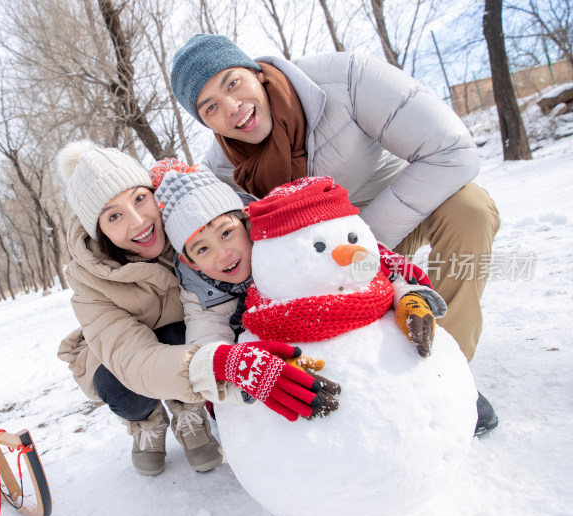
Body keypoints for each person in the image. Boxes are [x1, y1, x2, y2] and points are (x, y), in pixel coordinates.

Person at [169, 34, 500, 435]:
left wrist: (360, 243)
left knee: (471, 210)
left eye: (232, 83)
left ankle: (448, 368)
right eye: (211, 108)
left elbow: (452, 151)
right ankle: (352, 378)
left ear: (255, 71)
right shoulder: (223, 170)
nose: (232, 108)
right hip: (319, 254)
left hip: (393, 214)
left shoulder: (345, 80)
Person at [55, 141, 334, 477]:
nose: (138, 221)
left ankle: (188, 407)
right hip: (119, 358)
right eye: (114, 216)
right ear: (98, 230)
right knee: (125, 393)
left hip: (188, 332)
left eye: (140, 198)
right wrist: (222, 369)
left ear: (153, 193)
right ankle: (146, 422)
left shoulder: (187, 218)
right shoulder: (88, 278)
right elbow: (131, 359)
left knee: (190, 334)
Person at [153, 164, 445, 363]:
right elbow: (207, 342)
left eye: (226, 233)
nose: (223, 254)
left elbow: (364, 264)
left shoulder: (282, 242)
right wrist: (233, 367)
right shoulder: (199, 294)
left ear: (247, 222)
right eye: (203, 249)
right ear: (189, 263)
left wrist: (403, 294)